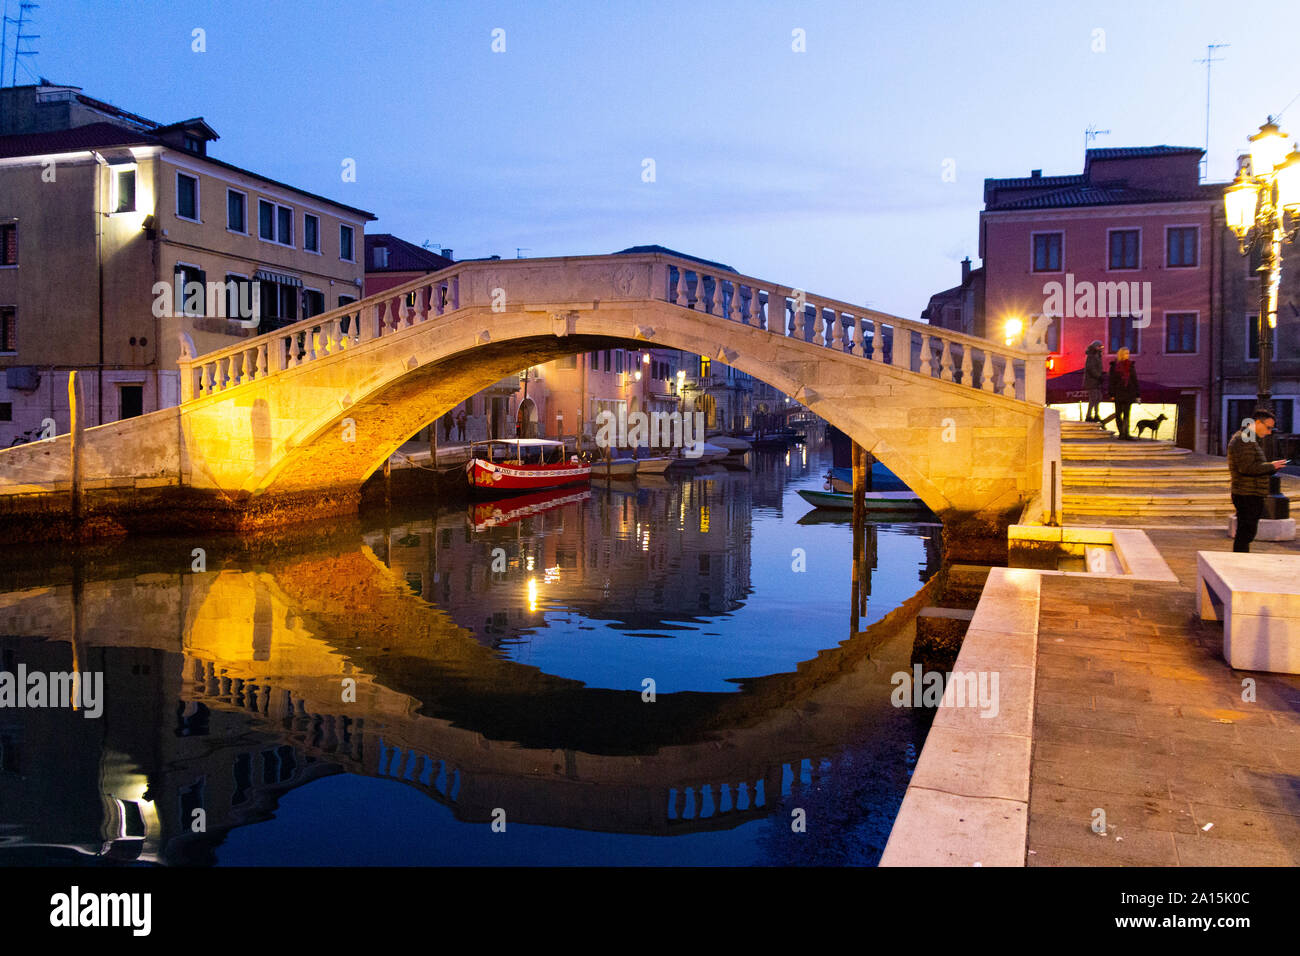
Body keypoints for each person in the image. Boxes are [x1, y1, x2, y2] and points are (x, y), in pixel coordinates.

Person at [1227, 409, 1287, 553]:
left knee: (1246, 532)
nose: (1269, 432)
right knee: (1245, 533)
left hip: (1250, 492)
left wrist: (1271, 467)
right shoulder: (1244, 439)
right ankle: (1239, 562)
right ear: (1257, 423)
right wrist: (1271, 466)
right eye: (1268, 427)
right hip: (1247, 493)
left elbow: (1251, 465)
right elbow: (1246, 467)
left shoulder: (1248, 438)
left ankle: (1240, 561)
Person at [1108, 347, 1140, 439]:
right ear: (1121, 354)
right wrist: (1112, 394)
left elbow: (1134, 380)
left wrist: (1137, 394)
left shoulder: (1130, 365)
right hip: (1118, 393)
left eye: (1128, 353)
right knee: (1118, 414)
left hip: (1129, 392)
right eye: (1126, 353)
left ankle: (1126, 433)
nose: (1128, 355)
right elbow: (1112, 381)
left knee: (1126, 414)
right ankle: (1122, 433)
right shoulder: (1115, 366)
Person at [1082, 340, 1104, 422]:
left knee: (1097, 397)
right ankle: (1089, 415)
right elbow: (1091, 368)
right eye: (1099, 347)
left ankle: (1096, 414)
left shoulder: (1097, 355)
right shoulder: (1091, 356)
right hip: (1092, 381)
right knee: (1093, 398)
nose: (1100, 349)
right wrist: (1099, 376)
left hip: (1096, 381)